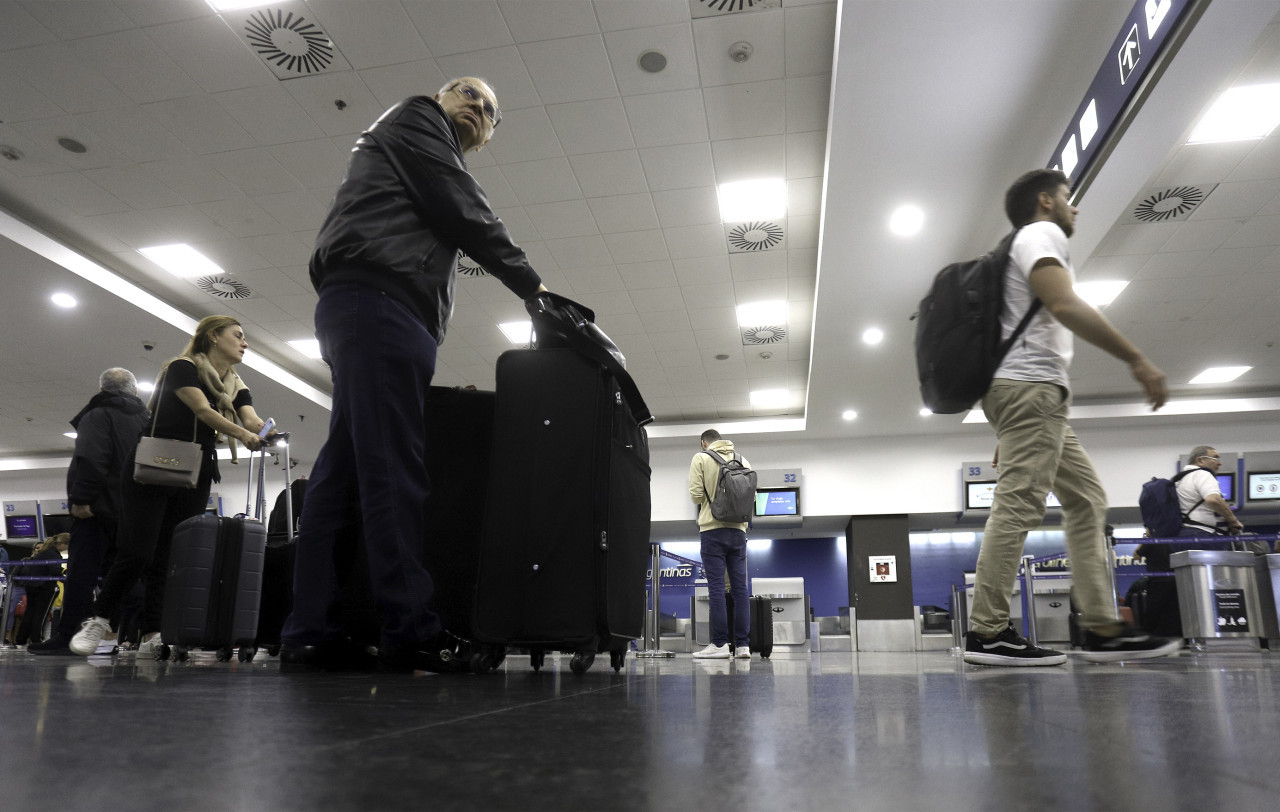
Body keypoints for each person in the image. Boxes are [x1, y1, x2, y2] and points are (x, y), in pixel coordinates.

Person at [280, 77, 548, 674]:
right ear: (441, 96)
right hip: (381, 303)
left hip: (372, 305)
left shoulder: (417, 144)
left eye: (490, 110)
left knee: (343, 473)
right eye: (470, 94)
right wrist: (532, 287)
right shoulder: (417, 118)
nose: (479, 106)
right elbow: (459, 202)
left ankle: (311, 629)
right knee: (393, 470)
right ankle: (412, 628)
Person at [964, 169, 1181, 666]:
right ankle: (988, 629)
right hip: (1031, 389)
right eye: (1068, 198)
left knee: (1086, 499)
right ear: (1046, 201)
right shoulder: (1040, 234)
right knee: (1020, 504)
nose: (1074, 207)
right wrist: (1136, 358)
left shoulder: (1014, 247)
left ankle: (1103, 626)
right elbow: (1062, 302)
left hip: (1031, 396)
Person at [69, 317, 270, 657]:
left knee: (171, 554)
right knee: (137, 551)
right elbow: (202, 411)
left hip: (196, 468)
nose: (244, 343)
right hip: (154, 463)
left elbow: (249, 417)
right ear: (213, 337)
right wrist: (244, 436)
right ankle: (99, 620)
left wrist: (263, 431)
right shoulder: (182, 367)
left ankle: (152, 632)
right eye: (237, 336)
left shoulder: (235, 383)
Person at [30, 368, 151, 655]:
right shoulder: (146, 419)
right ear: (134, 392)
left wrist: (82, 499)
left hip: (97, 510)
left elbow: (92, 458)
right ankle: (149, 630)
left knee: (81, 574)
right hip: (132, 510)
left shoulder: (97, 415)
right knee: (122, 575)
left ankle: (67, 636)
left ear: (102, 389)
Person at [688, 429, 751, 660]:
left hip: (712, 530)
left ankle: (720, 644)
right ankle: (743, 646)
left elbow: (695, 496)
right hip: (738, 530)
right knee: (740, 589)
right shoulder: (742, 459)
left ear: (704, 443)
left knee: (716, 588)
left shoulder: (701, 458)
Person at [1137, 446, 1245, 572]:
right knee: (1216, 583)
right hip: (1202, 537)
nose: (1219, 463)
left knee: (1192, 584)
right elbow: (1213, 500)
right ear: (1200, 461)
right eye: (1215, 458)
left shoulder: (1178, 481)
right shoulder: (1202, 474)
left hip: (1180, 538)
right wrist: (1233, 520)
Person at [14, 533, 69, 646]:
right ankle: (36, 639)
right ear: (63, 544)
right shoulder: (54, 554)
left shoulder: (43, 552)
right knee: (41, 613)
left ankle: (21, 639)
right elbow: (54, 571)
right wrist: (66, 580)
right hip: (44, 587)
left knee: (30, 612)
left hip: (32, 586)